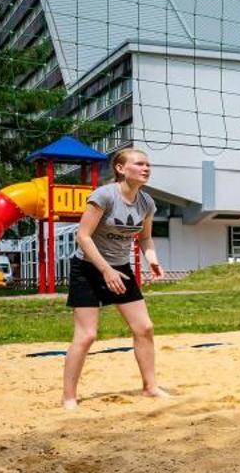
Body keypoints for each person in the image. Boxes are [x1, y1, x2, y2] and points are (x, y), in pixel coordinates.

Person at [62, 145, 168, 410]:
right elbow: (83, 236)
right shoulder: (104, 195)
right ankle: (69, 397)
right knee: (86, 336)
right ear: (121, 169)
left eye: (148, 165)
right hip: (87, 268)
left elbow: (144, 238)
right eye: (140, 164)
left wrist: (152, 259)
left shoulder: (147, 202)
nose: (146, 168)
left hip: (120, 268)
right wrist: (105, 270)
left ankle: (150, 388)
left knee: (144, 328)